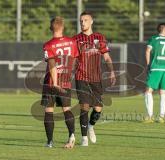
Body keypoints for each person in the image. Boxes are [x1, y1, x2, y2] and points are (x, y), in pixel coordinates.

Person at [73, 11, 116, 146]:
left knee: (98, 108)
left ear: (91, 21)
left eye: (85, 20)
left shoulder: (99, 38)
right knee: (84, 107)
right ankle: (84, 138)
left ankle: (91, 125)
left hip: (96, 78)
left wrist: (112, 71)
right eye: (81, 21)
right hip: (81, 77)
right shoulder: (75, 39)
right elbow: (72, 59)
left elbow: (107, 57)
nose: (82, 23)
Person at [41, 16, 79, 148]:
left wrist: (55, 82)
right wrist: (69, 73)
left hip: (52, 82)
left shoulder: (48, 45)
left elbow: (52, 65)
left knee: (49, 111)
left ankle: (50, 142)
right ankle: (72, 135)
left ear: (51, 28)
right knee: (67, 109)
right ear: (62, 27)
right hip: (66, 81)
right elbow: (74, 60)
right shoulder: (72, 42)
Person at [144, 23, 165, 123]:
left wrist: (147, 65)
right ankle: (161, 117)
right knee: (163, 92)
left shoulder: (153, 39)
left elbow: (147, 51)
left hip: (155, 68)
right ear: (163, 29)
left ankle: (150, 117)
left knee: (148, 91)